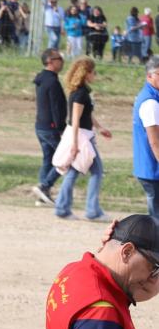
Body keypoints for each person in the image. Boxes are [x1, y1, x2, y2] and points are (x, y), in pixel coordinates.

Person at [54, 57, 111, 222]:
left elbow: (87, 114)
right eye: (94, 72)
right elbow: (75, 119)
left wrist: (100, 128)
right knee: (95, 171)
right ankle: (92, 211)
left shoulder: (82, 91)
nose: (95, 75)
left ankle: (63, 208)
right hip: (82, 136)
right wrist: (75, 144)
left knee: (75, 171)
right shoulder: (79, 93)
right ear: (86, 73)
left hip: (84, 135)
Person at [32, 49, 68, 206]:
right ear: (50, 61)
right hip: (51, 127)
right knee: (65, 158)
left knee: (48, 159)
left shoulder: (43, 78)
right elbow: (56, 107)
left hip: (41, 125)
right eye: (59, 58)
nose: (62, 61)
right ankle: (44, 186)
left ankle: (42, 195)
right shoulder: (52, 81)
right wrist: (61, 128)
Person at [132, 57, 159, 218]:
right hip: (152, 169)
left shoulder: (150, 96)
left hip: (148, 167)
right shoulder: (150, 102)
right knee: (156, 218)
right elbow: (154, 141)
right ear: (149, 76)